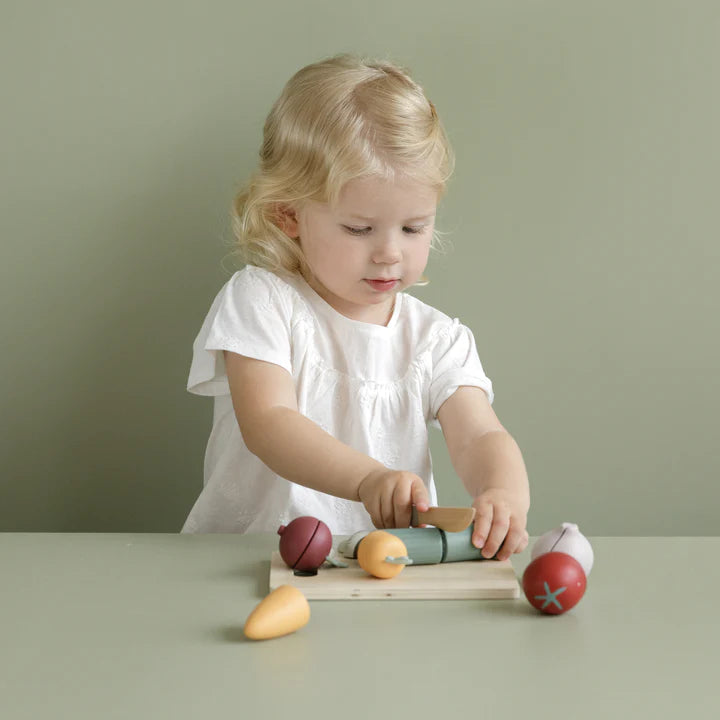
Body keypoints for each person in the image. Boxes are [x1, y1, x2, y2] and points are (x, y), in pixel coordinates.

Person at [182, 53, 530, 562]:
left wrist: (504, 496)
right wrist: (367, 479)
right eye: (359, 229)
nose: (390, 252)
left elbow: (479, 434)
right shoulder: (261, 300)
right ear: (289, 214)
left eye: (414, 228)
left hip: (380, 571)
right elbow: (270, 420)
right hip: (246, 562)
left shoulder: (435, 339)